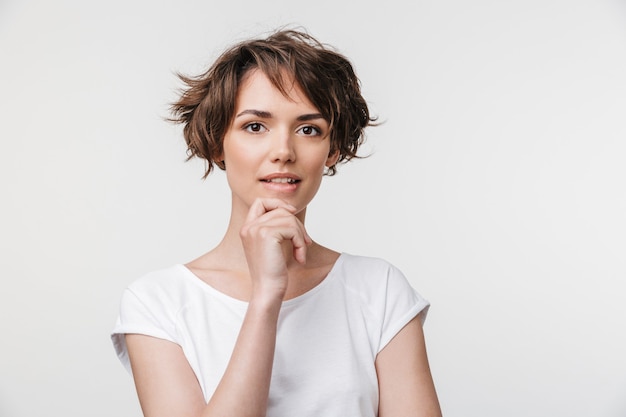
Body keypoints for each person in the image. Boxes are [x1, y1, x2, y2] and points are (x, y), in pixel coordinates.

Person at [111, 27, 442, 417]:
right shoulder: (158, 302)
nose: (283, 151)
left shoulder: (379, 291)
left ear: (332, 150)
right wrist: (266, 296)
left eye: (308, 129)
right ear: (218, 141)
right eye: (255, 126)